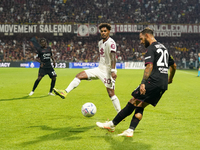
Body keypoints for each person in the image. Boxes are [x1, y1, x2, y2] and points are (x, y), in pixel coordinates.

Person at [96, 27, 176, 137]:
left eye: (142, 39)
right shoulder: (163, 48)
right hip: (162, 85)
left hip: (152, 82)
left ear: (147, 36)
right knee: (141, 105)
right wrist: (170, 78)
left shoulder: (151, 48)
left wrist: (143, 82)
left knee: (133, 101)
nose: (141, 42)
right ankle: (130, 130)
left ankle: (112, 124)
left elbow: (149, 65)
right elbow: (174, 65)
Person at [53, 23, 121, 113]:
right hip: (99, 69)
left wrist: (113, 71)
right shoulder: (100, 42)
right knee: (79, 75)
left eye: (105, 31)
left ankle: (120, 113)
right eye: (102, 31)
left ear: (108, 31)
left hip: (108, 71)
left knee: (111, 93)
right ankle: (65, 92)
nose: (103, 33)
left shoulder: (111, 42)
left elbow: (113, 57)